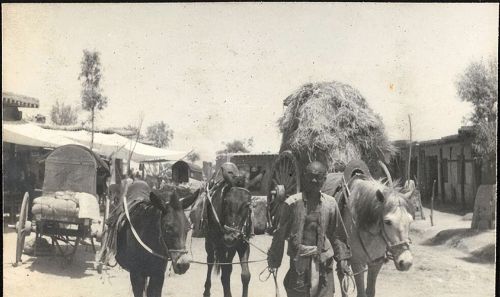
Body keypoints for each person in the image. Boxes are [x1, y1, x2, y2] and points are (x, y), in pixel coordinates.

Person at [267, 161, 351, 297]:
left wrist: (342, 260)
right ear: (304, 177)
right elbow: (280, 233)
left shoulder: (330, 204)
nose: (314, 180)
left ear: (324, 180)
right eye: (310, 176)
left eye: (318, 177)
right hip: (299, 264)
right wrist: (274, 259)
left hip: (324, 264)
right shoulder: (292, 203)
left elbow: (337, 234)